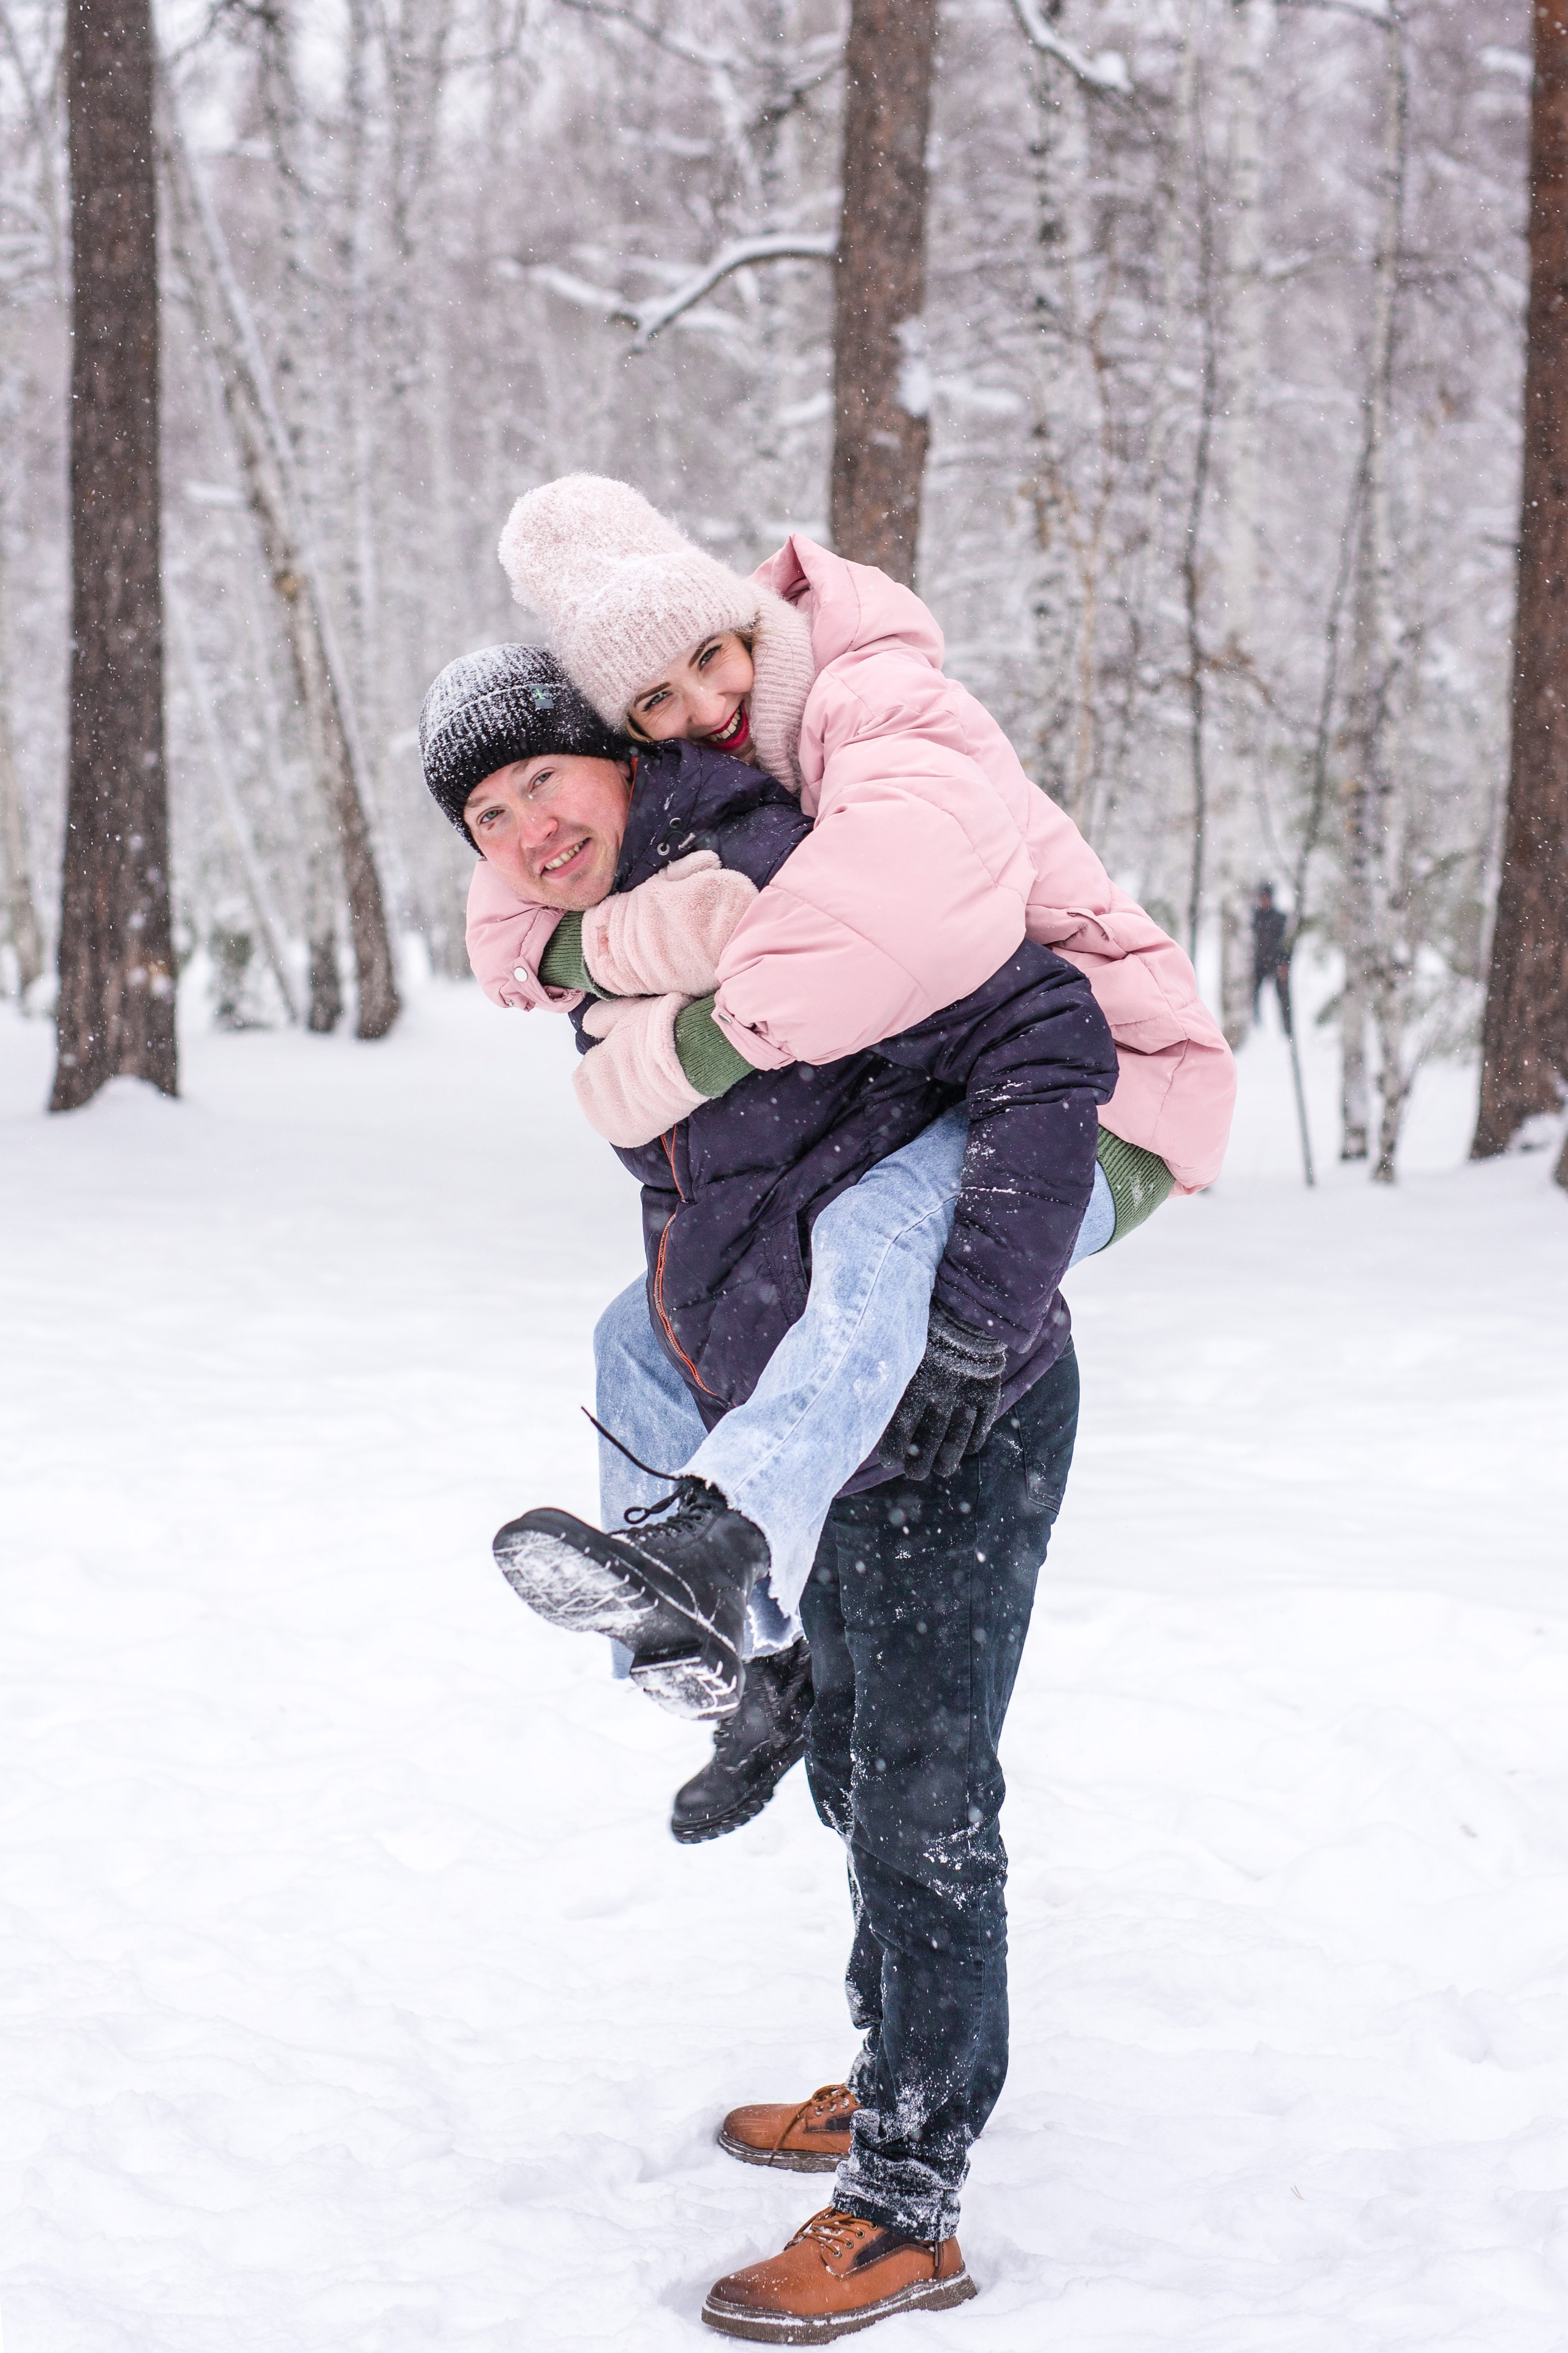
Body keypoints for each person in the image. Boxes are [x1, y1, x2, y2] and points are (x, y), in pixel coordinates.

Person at [422, 649, 1118, 2337]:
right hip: (808, 1429)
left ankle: (906, 2202)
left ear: (618, 757)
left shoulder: (797, 878)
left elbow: (1048, 1035)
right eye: (488, 817)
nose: (526, 829)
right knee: (849, 1755)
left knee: (923, 1794)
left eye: (543, 781)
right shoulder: (630, 948)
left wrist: (975, 1327)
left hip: (956, 1413)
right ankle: (876, 2038)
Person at [462, 475, 1234, 1828]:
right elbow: (513, 885)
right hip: (981, 1071)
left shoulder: (872, 703)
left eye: (711, 658)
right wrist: (579, 936)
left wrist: (695, 1032)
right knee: (634, 1334)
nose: (703, 706)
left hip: (1109, 1093)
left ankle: (729, 1541)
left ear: (751, 624)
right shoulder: (729, 778)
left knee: (875, 1231)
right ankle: (715, 1643)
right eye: (654, 703)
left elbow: (885, 929)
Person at [1251, 880, 1293, 1035]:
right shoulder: (1256, 917)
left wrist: (1285, 963)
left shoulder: (1280, 918)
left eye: (1267, 897)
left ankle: (1287, 1031)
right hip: (1259, 964)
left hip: (1277, 962)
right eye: (1263, 897)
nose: (1265, 901)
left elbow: (1286, 943)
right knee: (1254, 998)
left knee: (1283, 999)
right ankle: (1256, 1028)